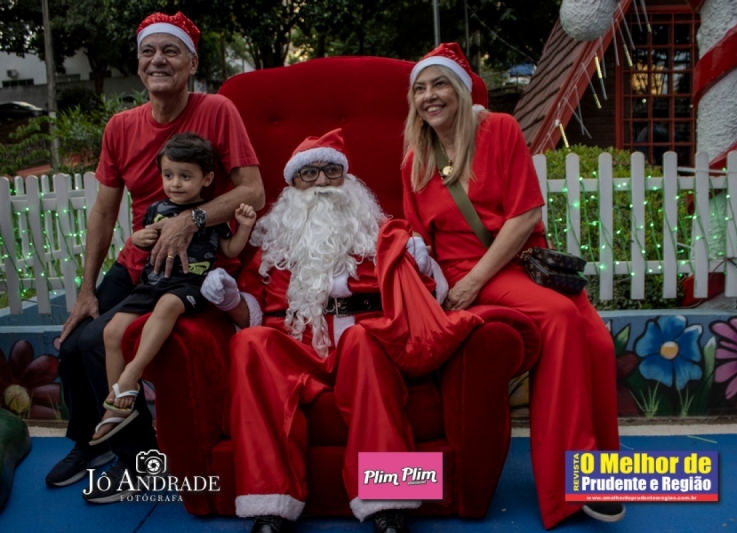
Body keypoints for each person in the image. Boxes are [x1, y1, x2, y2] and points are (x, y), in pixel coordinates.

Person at [201, 129, 477, 533]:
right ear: (292, 185)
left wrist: (422, 266)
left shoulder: (380, 235)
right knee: (249, 343)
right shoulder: (273, 243)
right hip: (296, 346)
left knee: (364, 341)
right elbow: (252, 313)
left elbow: (426, 299)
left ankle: (389, 502)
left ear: (348, 179)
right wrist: (230, 300)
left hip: (364, 343)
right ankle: (271, 503)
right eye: (308, 174)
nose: (321, 182)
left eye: (331, 171)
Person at [401, 43, 624, 529]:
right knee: (560, 319)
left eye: (439, 84)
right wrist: (447, 292)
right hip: (467, 275)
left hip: (521, 261)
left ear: (461, 90)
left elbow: (525, 214)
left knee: (599, 345)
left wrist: (478, 278)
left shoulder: (498, 130)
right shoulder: (415, 163)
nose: (429, 96)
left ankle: (604, 470)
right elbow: (419, 241)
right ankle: (571, 481)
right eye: (420, 88)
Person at [45, 11, 265, 503]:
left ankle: (138, 459)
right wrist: (86, 290)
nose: (157, 60)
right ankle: (97, 445)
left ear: (192, 63)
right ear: (139, 63)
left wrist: (193, 219)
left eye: (170, 51)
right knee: (73, 342)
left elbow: (253, 189)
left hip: (192, 262)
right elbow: (105, 211)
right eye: (148, 51)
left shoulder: (217, 110)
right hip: (138, 261)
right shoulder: (121, 126)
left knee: (98, 341)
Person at [91, 132, 256, 444]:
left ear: (207, 179)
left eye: (185, 176)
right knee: (112, 332)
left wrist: (244, 227)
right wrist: (136, 239)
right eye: (168, 175)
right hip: (153, 282)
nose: (175, 183)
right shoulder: (156, 209)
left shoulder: (212, 214)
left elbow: (229, 250)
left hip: (190, 284)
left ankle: (131, 375)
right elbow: (145, 238)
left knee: (168, 305)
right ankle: (118, 403)